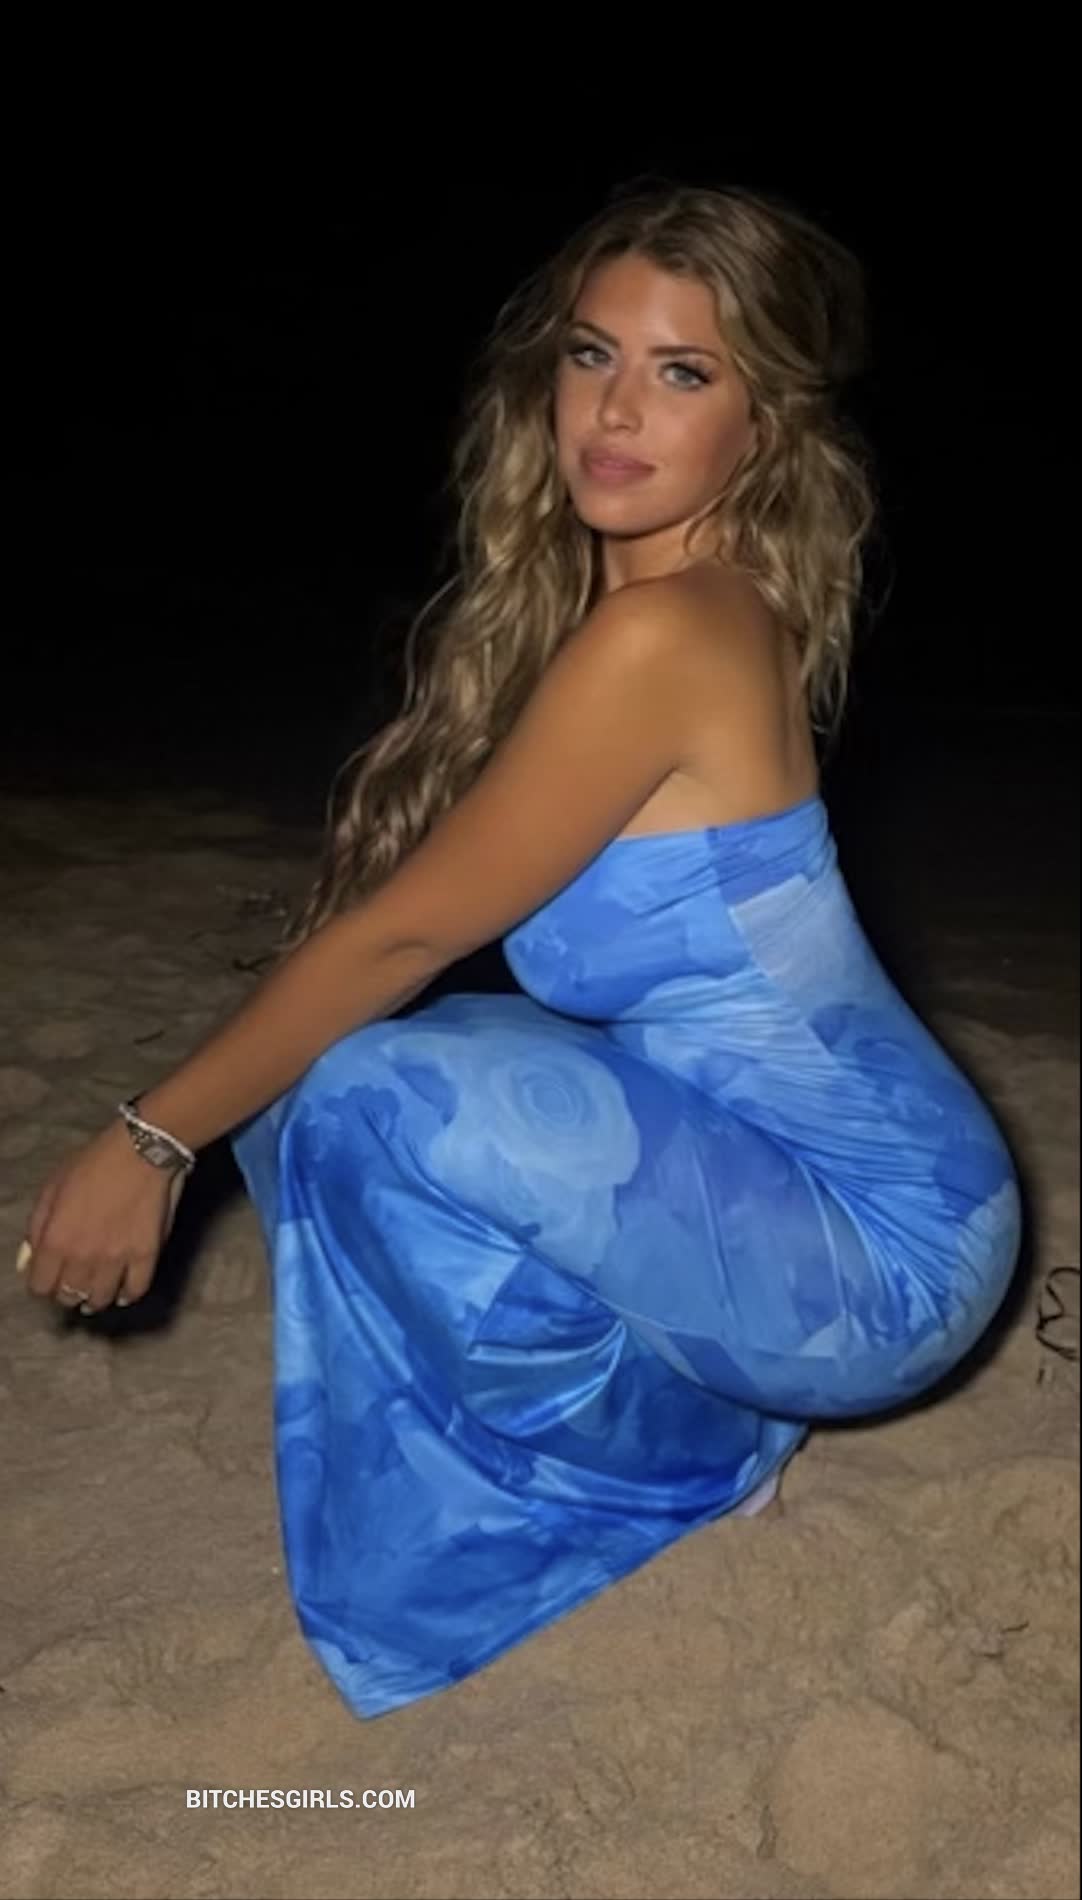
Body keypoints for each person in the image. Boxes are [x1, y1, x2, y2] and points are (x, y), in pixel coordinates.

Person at [18, 182, 1022, 1720]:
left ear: (763, 421)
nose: (614, 410)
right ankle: (678, 1397)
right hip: (799, 1177)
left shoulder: (665, 632)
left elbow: (410, 931)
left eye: (682, 372)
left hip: (881, 1249)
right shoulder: (653, 609)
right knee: (304, 1097)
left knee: (362, 1096)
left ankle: (693, 1456)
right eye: (591, 354)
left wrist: (149, 1137)